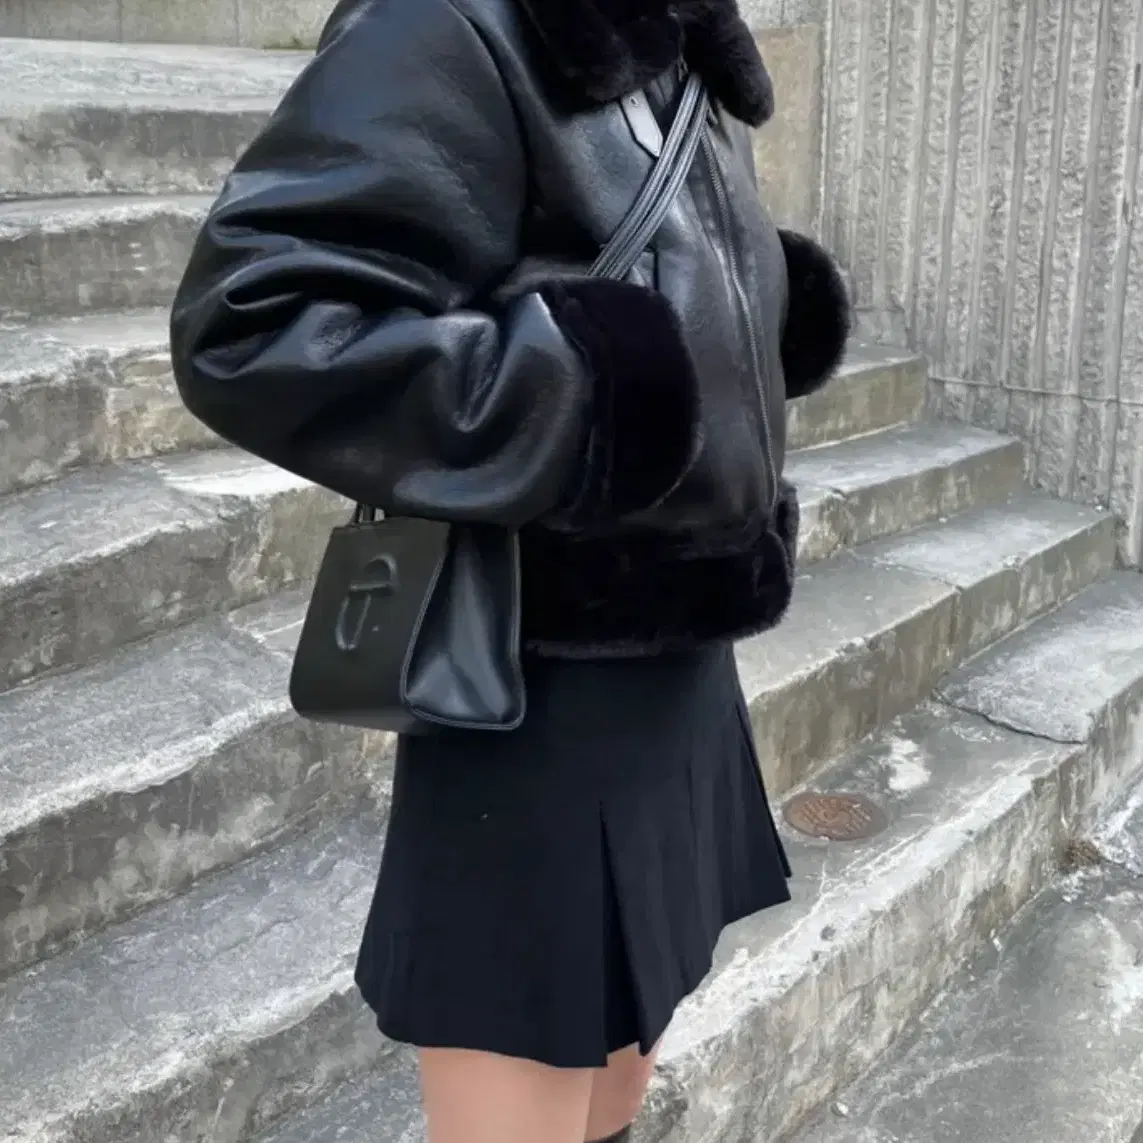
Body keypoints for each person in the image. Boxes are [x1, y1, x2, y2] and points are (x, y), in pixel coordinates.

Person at [169, 0, 849, 1139]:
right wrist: (580, 397)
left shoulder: (682, 44)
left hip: (683, 660)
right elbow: (253, 319)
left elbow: (611, 254)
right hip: (535, 695)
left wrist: (751, 312)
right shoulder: (449, 20)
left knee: (617, 1095)